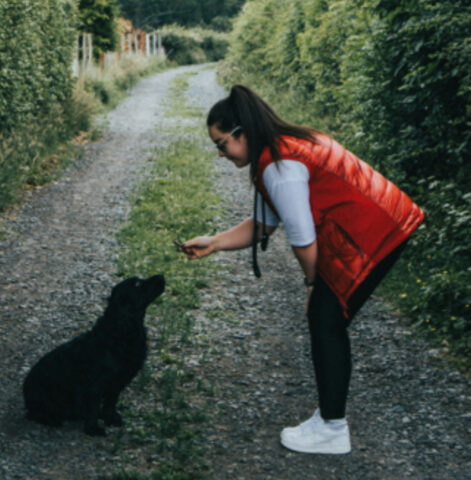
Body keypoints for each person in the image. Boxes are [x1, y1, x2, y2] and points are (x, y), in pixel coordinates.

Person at [178, 85, 424, 454]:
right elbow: (265, 222)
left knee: (326, 318)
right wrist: (213, 242)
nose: (219, 153)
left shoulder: (279, 167)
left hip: (376, 233)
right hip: (386, 222)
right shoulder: (284, 145)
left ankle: (332, 429)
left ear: (241, 133)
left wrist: (314, 284)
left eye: (221, 144)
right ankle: (329, 418)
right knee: (326, 318)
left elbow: (303, 240)